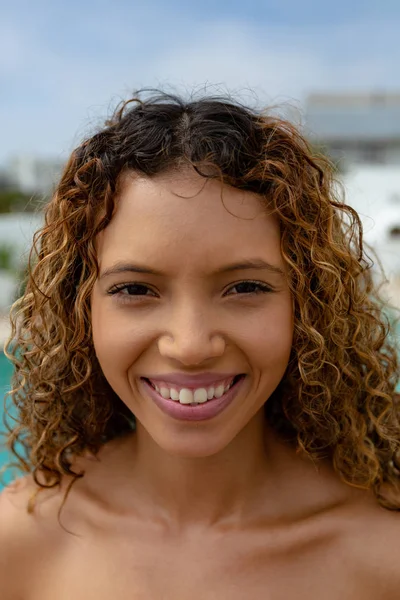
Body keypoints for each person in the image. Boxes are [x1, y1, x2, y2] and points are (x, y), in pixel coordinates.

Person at [1, 90, 400, 599]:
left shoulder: (384, 549)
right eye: (136, 290)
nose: (190, 346)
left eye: (246, 288)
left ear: (309, 306)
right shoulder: (19, 539)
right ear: (81, 310)